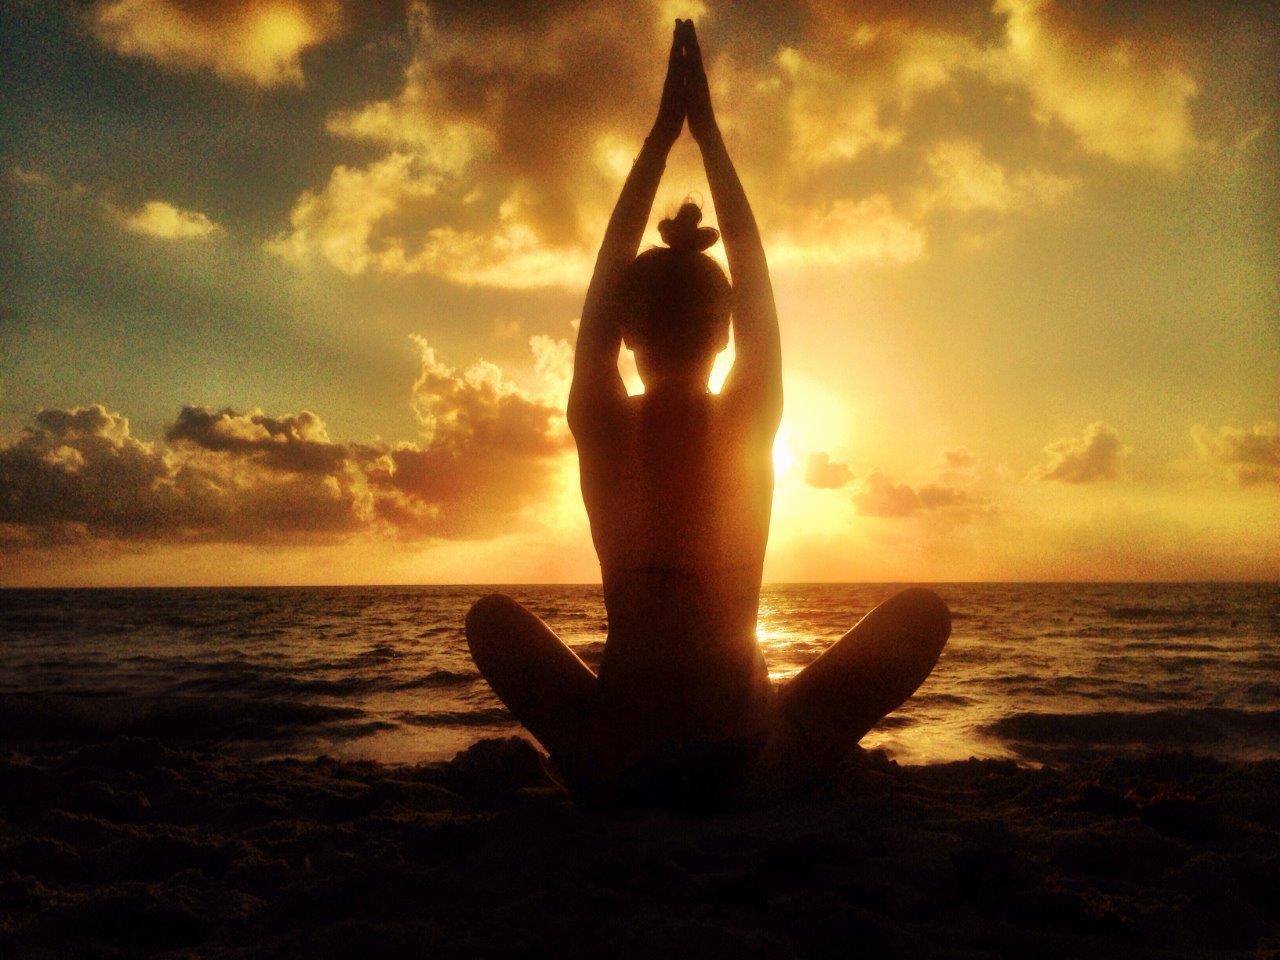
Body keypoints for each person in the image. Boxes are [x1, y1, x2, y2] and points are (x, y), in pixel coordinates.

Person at [466, 20, 950, 805]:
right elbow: (756, 283)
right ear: (725, 335)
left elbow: (601, 292)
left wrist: (660, 142)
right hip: (747, 763)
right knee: (921, 614)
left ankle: (602, 757)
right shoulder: (747, 418)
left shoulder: (603, 419)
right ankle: (798, 744)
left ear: (626, 333)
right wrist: (712, 143)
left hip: (621, 759)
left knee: (490, 620)